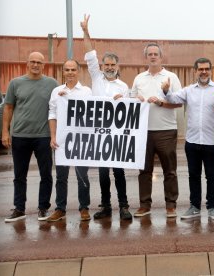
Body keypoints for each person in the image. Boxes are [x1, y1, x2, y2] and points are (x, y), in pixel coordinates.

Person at [81, 14, 133, 220]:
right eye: (107, 64)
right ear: (102, 66)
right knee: (103, 174)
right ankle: (106, 206)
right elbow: (90, 53)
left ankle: (124, 206)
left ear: (117, 67)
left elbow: (129, 112)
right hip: (99, 134)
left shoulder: (124, 87)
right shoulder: (96, 78)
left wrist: (124, 101)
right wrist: (86, 32)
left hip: (117, 135)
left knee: (119, 173)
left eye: (113, 65)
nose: (109, 67)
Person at [161, 58, 214, 220]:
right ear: (195, 71)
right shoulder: (188, 90)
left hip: (211, 141)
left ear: (211, 70)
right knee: (193, 175)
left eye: (207, 69)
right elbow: (173, 99)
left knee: (212, 175)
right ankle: (194, 207)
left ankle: (212, 208)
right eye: (200, 69)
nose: (204, 72)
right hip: (192, 141)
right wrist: (166, 91)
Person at [2, 51, 58, 222]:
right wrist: (5, 132)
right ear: (27, 63)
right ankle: (19, 208)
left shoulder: (52, 84)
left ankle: (43, 208)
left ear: (44, 65)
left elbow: (60, 105)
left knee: (46, 174)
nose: (35, 65)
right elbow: (8, 108)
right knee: (19, 175)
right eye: (32, 61)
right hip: (20, 135)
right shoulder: (15, 83)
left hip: (43, 136)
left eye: (39, 62)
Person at [131, 42, 182, 218]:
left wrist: (161, 102)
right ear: (146, 57)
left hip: (166, 130)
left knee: (170, 170)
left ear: (161, 57)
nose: (153, 56)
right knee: (144, 171)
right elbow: (130, 101)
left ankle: (171, 205)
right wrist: (135, 99)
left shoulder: (171, 77)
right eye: (150, 54)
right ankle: (144, 205)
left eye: (156, 54)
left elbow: (179, 102)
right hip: (143, 131)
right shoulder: (139, 78)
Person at [47, 60, 93, 222]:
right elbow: (52, 114)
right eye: (67, 69)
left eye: (73, 69)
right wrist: (53, 136)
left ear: (78, 71)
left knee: (82, 175)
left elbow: (93, 114)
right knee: (61, 177)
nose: (70, 72)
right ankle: (60, 208)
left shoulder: (87, 91)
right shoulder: (56, 91)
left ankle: (84, 208)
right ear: (63, 72)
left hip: (81, 140)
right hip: (62, 140)